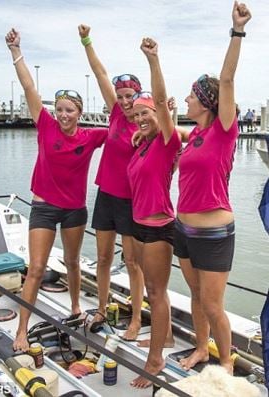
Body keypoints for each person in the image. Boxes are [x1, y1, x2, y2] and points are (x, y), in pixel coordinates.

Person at [5, 28, 108, 352]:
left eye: (70, 110)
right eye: (60, 109)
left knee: (74, 262)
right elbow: (28, 85)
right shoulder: (46, 124)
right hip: (44, 207)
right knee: (36, 268)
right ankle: (22, 330)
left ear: (79, 113)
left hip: (75, 209)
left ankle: (76, 307)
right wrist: (16, 50)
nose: (63, 115)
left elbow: (123, 130)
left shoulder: (91, 137)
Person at [173, 2, 251, 375]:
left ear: (205, 101)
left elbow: (228, 80)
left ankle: (225, 364)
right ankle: (201, 349)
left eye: (190, 95)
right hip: (184, 230)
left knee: (213, 304)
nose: (186, 99)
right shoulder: (199, 134)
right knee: (196, 298)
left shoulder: (223, 129)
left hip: (214, 232)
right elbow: (181, 137)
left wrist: (236, 31)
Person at [78, 24, 145, 340]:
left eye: (130, 96)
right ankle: (102, 309)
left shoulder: (148, 123)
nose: (124, 101)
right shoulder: (117, 114)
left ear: (139, 95)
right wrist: (87, 40)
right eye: (120, 97)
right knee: (103, 257)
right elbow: (100, 71)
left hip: (132, 202)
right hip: (106, 194)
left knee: (132, 262)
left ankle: (134, 319)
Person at [128, 38, 181, 388]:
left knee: (157, 292)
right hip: (138, 226)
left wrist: (153, 60)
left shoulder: (167, 142)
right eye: (136, 116)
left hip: (160, 226)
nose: (140, 119)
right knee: (149, 288)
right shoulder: (143, 145)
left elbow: (161, 102)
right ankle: (163, 340)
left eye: (145, 113)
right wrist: (138, 133)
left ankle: (155, 359)